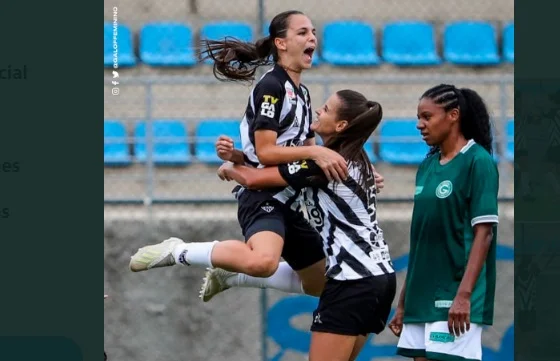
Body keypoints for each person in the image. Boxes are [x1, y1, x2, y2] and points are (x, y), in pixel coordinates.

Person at [129, 10, 349, 296]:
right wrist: (316, 151)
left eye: (314, 33)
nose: (312, 39)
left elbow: (295, 150)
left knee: (322, 285)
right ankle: (178, 250)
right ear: (280, 43)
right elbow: (267, 152)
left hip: (290, 198)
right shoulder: (272, 87)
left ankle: (230, 275)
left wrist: (351, 166)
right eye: (303, 32)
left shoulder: (303, 93)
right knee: (264, 262)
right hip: (263, 196)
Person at [206, 90, 396, 361]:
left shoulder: (322, 165)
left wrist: (228, 168)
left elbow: (255, 180)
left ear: (341, 126)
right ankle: (232, 277)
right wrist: (237, 155)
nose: (319, 110)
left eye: (327, 109)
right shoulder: (355, 156)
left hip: (352, 281)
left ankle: (179, 253)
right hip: (380, 278)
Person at [387, 84, 499, 361]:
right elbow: (423, 238)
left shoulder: (478, 162)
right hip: (420, 294)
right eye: (418, 117)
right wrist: (403, 302)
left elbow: (484, 234)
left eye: (427, 117)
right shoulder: (427, 166)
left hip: (455, 293)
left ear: (453, 115)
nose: (419, 125)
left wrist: (464, 296)